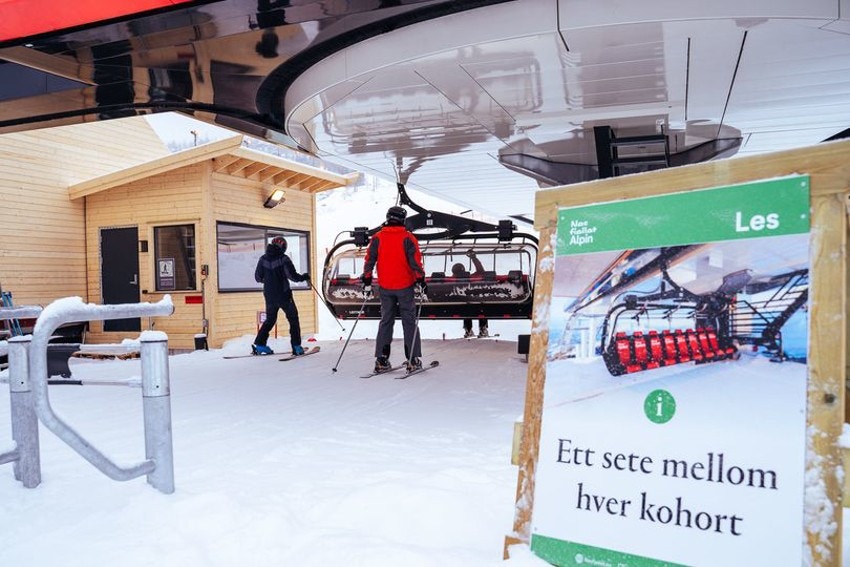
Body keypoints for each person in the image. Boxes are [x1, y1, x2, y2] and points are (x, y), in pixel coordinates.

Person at [361, 205, 427, 372]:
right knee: (409, 321)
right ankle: (412, 359)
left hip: (385, 286)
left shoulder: (377, 237)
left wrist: (367, 278)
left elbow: (369, 259)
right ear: (403, 219)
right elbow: (415, 262)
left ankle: (381, 360)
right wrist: (421, 279)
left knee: (386, 321)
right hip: (405, 286)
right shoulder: (408, 238)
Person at [252, 235, 310, 356]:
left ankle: (260, 345)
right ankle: (296, 347)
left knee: (270, 320)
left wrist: (268, 280)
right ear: (283, 247)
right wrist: (304, 277)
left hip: (269, 295)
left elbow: (257, 277)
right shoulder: (284, 259)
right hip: (284, 295)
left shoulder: (263, 259)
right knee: (293, 319)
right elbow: (292, 276)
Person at [451, 249, 489, 338]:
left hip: (461, 301)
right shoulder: (472, 278)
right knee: (481, 307)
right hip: (476, 300)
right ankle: (483, 329)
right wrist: (474, 258)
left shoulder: (451, 281)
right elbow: (481, 271)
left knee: (466, 308)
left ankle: (468, 330)